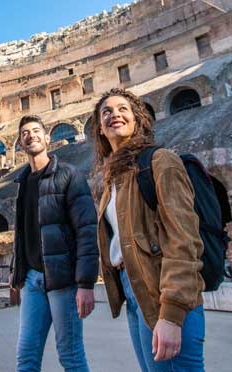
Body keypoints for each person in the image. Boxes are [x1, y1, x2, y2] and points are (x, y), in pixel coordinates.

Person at [92, 88, 205, 372]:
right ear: (101, 130)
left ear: (137, 120)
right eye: (106, 112)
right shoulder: (111, 181)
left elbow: (183, 238)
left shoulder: (160, 160)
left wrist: (172, 313)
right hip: (135, 293)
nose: (114, 114)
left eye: (123, 109)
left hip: (165, 291)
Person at [11, 114, 99, 372]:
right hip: (32, 280)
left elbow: (86, 229)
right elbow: (24, 230)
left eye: (36, 130)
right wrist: (17, 267)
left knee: (70, 355)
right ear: (19, 142)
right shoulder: (22, 181)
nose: (31, 135)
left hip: (63, 280)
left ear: (48, 137)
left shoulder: (69, 175)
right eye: (25, 132)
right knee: (26, 355)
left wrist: (86, 283)